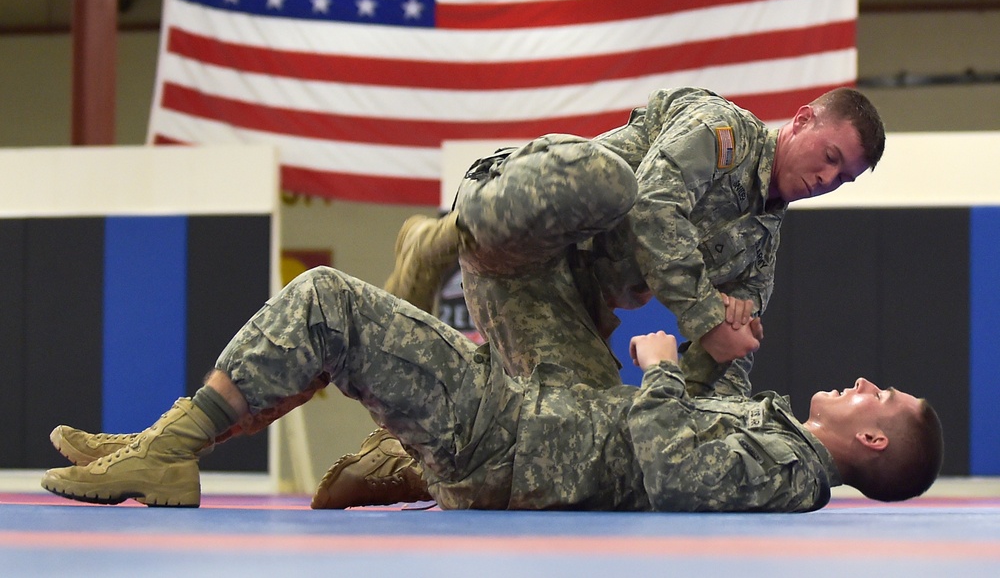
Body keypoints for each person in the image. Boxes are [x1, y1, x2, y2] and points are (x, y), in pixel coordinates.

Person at [311, 85, 886, 507]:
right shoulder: (722, 133)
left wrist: (721, 386)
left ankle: (410, 458)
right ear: (804, 119)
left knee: (574, 440)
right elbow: (653, 206)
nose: (828, 179)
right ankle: (440, 237)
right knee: (612, 183)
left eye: (845, 179)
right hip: (529, 223)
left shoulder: (759, 244)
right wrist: (710, 316)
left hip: (561, 298)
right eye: (830, 158)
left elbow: (731, 364)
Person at [40, 264, 942, 511]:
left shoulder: (791, 475)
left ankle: (164, 453)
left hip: (509, 442)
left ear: (871, 444)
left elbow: (677, 475)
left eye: (882, 398)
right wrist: (721, 351)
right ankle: (153, 450)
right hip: (521, 421)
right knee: (334, 321)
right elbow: (705, 446)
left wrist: (663, 372)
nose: (866, 384)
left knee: (327, 303)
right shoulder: (783, 444)